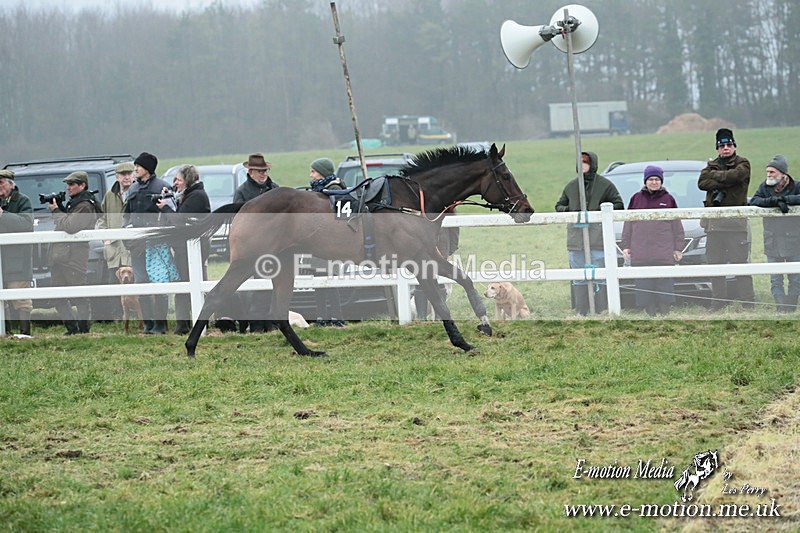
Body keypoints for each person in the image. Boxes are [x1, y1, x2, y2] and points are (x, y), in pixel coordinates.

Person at [555, 151, 624, 315]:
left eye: (586, 162)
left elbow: (618, 205)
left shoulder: (605, 185)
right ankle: (581, 310)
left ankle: (601, 308)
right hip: (576, 240)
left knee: (600, 274)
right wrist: (572, 211)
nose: (583, 166)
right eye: (580, 163)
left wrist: (600, 213)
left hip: (597, 239)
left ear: (592, 164)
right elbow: (559, 206)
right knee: (579, 276)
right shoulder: (571, 186)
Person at [222, 153, 280, 333]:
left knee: (275, 284)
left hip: (275, 244)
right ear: (250, 171)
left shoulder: (275, 189)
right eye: (259, 171)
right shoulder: (242, 192)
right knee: (257, 284)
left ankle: (272, 322)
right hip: (253, 245)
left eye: (265, 171)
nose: (263, 174)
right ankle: (256, 324)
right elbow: (238, 220)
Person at [697, 128, 755, 310]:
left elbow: (737, 175)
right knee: (715, 266)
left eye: (729, 145)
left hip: (735, 225)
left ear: (734, 146)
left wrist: (716, 177)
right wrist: (725, 180)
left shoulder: (743, 163)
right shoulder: (711, 165)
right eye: (722, 146)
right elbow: (701, 183)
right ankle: (718, 301)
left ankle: (748, 302)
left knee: (741, 266)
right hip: (713, 225)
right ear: (717, 148)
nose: (726, 148)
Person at [620, 165, 685, 317]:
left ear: (661, 181)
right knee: (644, 286)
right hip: (641, 253)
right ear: (645, 181)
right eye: (651, 179)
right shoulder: (636, 199)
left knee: (665, 286)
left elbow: (677, 226)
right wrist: (626, 246)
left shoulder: (669, 199)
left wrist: (678, 248)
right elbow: (628, 224)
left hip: (663, 253)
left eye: (657, 179)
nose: (654, 182)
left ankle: (664, 313)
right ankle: (649, 314)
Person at [156, 164, 211, 333]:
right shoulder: (191, 194)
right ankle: (186, 323)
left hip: (192, 248)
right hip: (185, 248)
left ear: (187, 180)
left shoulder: (196, 197)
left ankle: (186, 325)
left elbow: (179, 219)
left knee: (186, 283)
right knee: (185, 283)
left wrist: (165, 207)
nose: (176, 183)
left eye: (179, 180)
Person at [122, 151, 172, 334]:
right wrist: (127, 237)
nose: (135, 169)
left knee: (158, 282)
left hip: (156, 244)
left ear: (148, 169)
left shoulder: (163, 187)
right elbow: (126, 216)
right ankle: (148, 323)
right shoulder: (133, 189)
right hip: (137, 245)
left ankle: (161, 324)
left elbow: (168, 214)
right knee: (141, 282)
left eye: (138, 166)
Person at [47, 171, 102, 335]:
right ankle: (72, 329)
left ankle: (83, 329)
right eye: (68, 184)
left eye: (72, 184)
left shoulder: (85, 205)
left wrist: (56, 211)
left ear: (82, 185)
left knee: (78, 294)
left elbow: (70, 226)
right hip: (61, 256)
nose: (68, 188)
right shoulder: (76, 203)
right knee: (57, 295)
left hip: (74, 256)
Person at [748, 155, 800, 313]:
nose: (768, 175)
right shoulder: (764, 187)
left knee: (795, 278)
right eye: (767, 172)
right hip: (772, 240)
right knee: (775, 279)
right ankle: (780, 308)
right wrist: (774, 202)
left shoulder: (797, 185)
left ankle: (790, 308)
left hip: (794, 240)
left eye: (772, 172)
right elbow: (754, 201)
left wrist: (786, 199)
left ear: (783, 173)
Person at [308, 157, 345, 327]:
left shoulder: (334, 190)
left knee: (331, 284)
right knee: (318, 283)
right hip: (317, 243)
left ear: (322, 172)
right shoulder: (317, 189)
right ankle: (321, 317)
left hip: (330, 244)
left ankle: (337, 317)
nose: (311, 175)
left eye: (314, 171)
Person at [96, 162, 135, 320]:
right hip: (113, 249)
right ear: (117, 177)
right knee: (113, 282)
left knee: (135, 282)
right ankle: (117, 317)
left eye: (129, 173)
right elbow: (101, 219)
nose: (126, 177)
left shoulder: (137, 192)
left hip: (131, 248)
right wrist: (104, 236)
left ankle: (138, 316)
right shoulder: (109, 196)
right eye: (123, 174)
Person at [0, 170, 34, 336]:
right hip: (2, 259)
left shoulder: (23, 201)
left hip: (18, 259)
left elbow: (26, 224)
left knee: (21, 299)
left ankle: (25, 332)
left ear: (11, 184)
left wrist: (3, 215)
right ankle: (5, 332)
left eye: (1, 183)